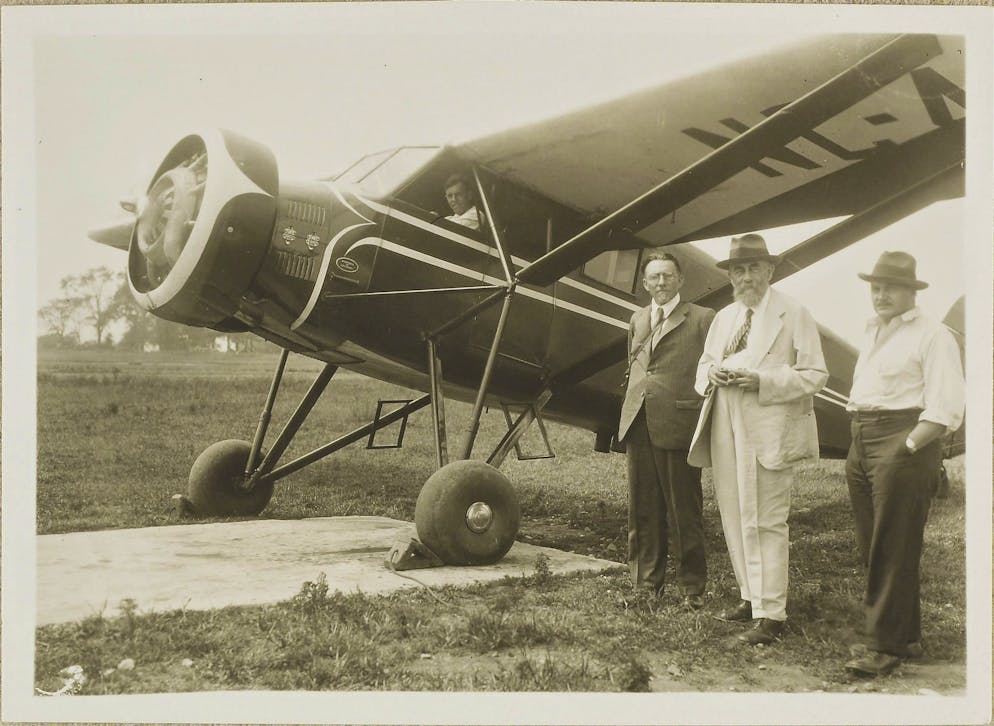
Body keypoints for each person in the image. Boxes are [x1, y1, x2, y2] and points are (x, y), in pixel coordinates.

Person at [688, 233, 827, 645]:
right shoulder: (725, 317)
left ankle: (773, 616)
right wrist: (710, 374)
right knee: (733, 510)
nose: (745, 277)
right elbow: (705, 364)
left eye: (753, 268)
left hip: (766, 420)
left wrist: (761, 380)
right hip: (723, 417)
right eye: (738, 270)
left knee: (766, 517)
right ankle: (751, 597)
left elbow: (815, 374)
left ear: (769, 270)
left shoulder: (793, 312)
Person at [842, 251, 964, 677]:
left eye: (889, 287)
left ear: (912, 291)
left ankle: (883, 646)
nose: (880, 295)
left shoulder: (934, 335)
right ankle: (906, 635)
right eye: (875, 287)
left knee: (892, 544)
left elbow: (946, 406)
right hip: (862, 437)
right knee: (874, 542)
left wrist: (907, 446)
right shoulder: (874, 330)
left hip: (903, 440)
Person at [618, 252, 715, 610]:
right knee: (642, 508)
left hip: (678, 423)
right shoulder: (637, 318)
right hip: (639, 421)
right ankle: (646, 584)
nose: (661, 283)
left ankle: (692, 590)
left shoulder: (703, 318)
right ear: (644, 283)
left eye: (668, 276)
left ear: (680, 281)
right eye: (655, 277)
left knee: (683, 510)